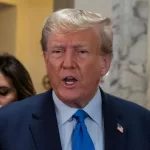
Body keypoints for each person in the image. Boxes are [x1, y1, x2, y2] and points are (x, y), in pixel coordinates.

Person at [0, 8, 149, 150]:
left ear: (104, 63)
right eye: (58, 51)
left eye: (81, 52)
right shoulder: (7, 124)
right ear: (46, 60)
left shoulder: (142, 124)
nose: (68, 63)